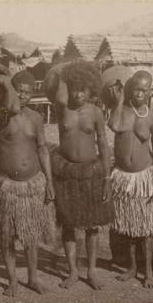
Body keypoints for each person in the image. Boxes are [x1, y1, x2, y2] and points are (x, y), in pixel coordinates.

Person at [0, 68, 56, 297]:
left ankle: (32, 279)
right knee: (6, 235)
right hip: (7, 185)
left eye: (28, 92)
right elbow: (14, 106)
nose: (24, 95)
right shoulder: (1, 114)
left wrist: (49, 181)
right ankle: (12, 282)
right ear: (11, 91)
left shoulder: (36, 118)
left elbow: (42, 149)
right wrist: (7, 83)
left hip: (32, 185)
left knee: (30, 234)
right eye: (19, 90)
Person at [50, 60, 114, 290]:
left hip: (91, 173)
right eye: (74, 88)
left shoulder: (96, 112)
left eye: (84, 89)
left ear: (92, 90)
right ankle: (73, 272)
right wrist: (65, 74)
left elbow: (104, 146)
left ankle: (92, 271)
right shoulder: (62, 108)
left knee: (91, 225)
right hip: (65, 171)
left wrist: (107, 178)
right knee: (68, 224)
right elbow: (59, 96)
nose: (78, 94)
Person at [107, 70, 153, 288]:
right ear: (130, 89)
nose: (140, 93)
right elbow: (113, 126)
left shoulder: (152, 117)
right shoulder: (122, 111)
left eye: (144, 90)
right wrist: (121, 98)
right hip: (124, 178)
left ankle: (149, 271)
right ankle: (132, 267)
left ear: (150, 91)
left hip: (145, 177)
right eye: (136, 89)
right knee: (129, 225)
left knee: (147, 228)